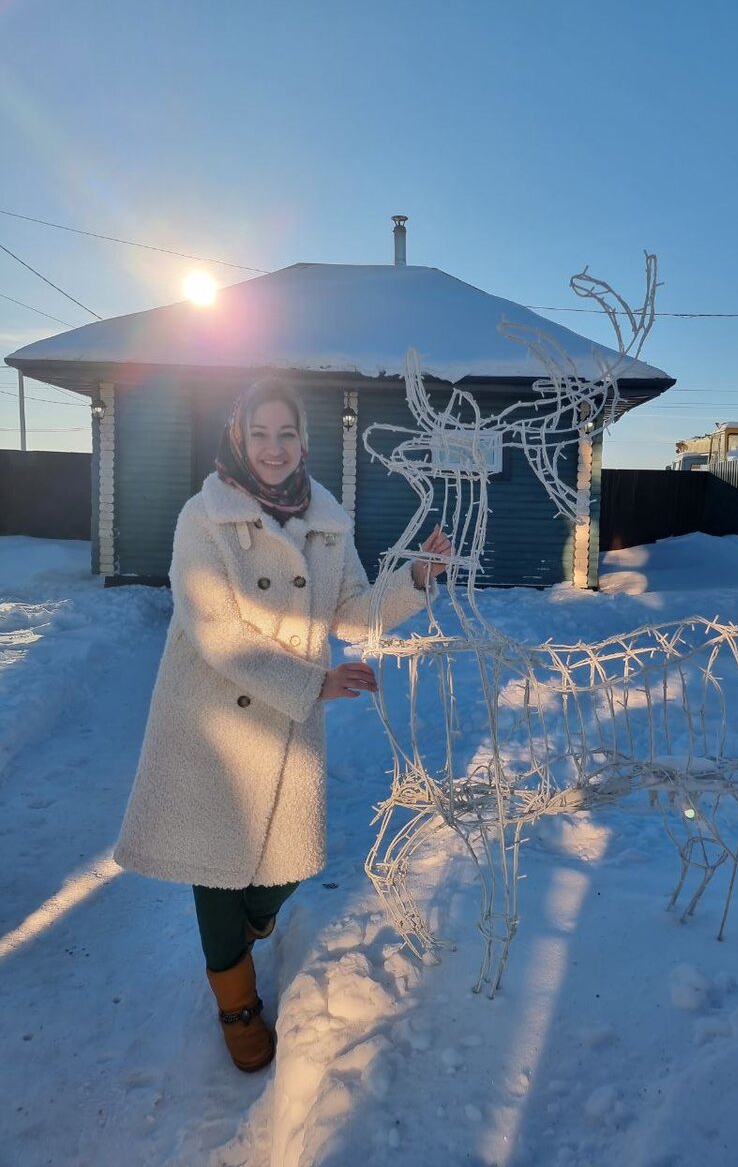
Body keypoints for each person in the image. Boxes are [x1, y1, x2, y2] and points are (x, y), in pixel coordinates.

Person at [114, 377, 450, 1072]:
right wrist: (314, 682)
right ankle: (236, 1001)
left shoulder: (326, 520)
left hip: (287, 722)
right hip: (213, 714)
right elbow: (218, 632)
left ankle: (255, 922)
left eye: (287, 434)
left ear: (304, 441)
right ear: (239, 438)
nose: (274, 448)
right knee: (219, 866)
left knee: (281, 868)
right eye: (260, 434)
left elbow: (353, 613)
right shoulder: (203, 518)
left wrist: (417, 576)